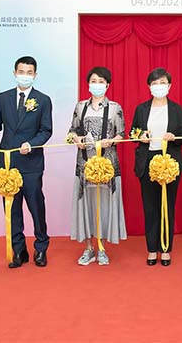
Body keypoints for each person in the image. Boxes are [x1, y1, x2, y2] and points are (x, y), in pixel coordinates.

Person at [0, 56, 53, 268]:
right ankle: (19, 251)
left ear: (35, 75)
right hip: (8, 163)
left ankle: (41, 248)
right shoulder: (3, 98)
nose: (25, 76)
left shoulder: (43, 100)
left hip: (31, 164)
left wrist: (32, 144)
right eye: (21, 72)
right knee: (11, 210)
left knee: (36, 207)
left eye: (29, 72)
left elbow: (46, 131)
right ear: (14, 73)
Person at [67, 67, 127, 266]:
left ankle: (101, 248)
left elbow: (122, 134)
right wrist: (76, 139)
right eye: (94, 81)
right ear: (88, 84)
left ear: (107, 85)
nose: (97, 85)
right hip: (85, 164)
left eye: (101, 81)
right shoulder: (80, 106)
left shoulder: (115, 108)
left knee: (104, 206)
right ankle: (88, 248)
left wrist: (112, 141)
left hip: (107, 166)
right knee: (86, 205)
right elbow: (72, 131)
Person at [130, 68, 182, 266]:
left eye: (162, 83)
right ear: (149, 87)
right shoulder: (141, 109)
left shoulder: (176, 109)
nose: (158, 87)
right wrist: (140, 136)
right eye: (154, 83)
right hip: (147, 162)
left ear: (169, 86)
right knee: (150, 207)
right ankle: (151, 249)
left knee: (167, 206)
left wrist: (174, 137)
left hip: (169, 162)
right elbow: (132, 133)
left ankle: (165, 249)